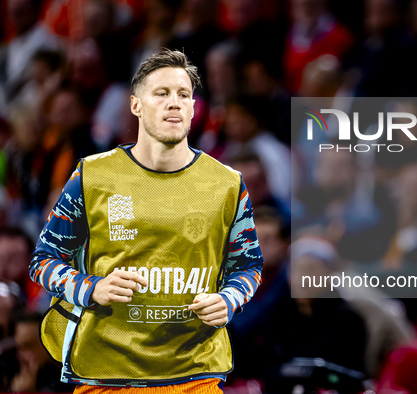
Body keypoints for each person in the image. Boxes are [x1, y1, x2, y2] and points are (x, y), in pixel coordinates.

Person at [28, 50, 264, 392]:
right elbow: (43, 262)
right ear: (136, 105)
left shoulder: (227, 184)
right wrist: (92, 288)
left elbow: (249, 266)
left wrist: (229, 300)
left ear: (195, 108)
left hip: (193, 374)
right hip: (107, 374)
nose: (175, 103)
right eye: (162, 93)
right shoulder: (92, 175)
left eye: (184, 95)